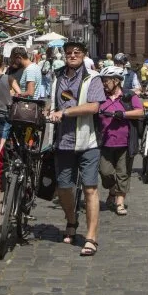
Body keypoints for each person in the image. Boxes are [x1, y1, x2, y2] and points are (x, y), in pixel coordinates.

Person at [47, 39, 105, 256]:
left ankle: (91, 238)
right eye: (69, 52)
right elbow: (52, 103)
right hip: (62, 142)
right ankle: (71, 220)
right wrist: (48, 112)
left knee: (90, 188)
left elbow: (94, 106)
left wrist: (66, 113)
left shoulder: (93, 78)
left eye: (77, 52)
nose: (72, 55)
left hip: (88, 141)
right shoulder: (57, 76)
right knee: (63, 188)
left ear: (84, 55)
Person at [96, 65, 144, 215]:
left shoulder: (128, 96)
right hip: (104, 141)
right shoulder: (99, 96)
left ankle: (119, 203)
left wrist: (123, 114)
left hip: (125, 141)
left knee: (123, 173)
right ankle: (112, 190)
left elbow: (140, 112)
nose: (104, 83)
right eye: (103, 80)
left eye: (106, 80)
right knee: (105, 173)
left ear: (116, 81)